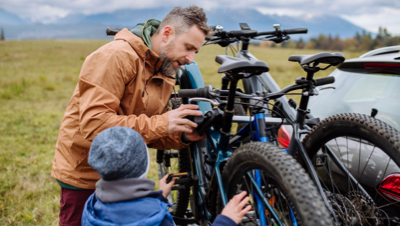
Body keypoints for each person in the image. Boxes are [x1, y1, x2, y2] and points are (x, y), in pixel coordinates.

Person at [51, 6, 213, 226]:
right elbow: (94, 124)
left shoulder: (163, 69)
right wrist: (163, 122)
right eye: (188, 47)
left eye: (196, 51)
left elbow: (147, 130)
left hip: (127, 178)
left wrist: (181, 136)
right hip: (88, 175)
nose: (191, 58)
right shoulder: (114, 57)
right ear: (166, 34)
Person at [81, 126, 252, 226]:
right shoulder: (156, 219)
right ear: (143, 165)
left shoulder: (93, 205)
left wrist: (159, 198)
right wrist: (226, 220)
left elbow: (128, 213)